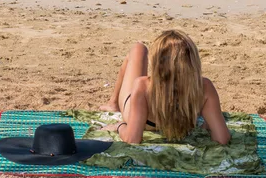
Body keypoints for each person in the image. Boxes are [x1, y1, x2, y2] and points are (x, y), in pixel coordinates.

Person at [99, 30, 231, 145]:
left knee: (138, 49)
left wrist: (119, 126)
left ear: (157, 63)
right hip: (182, 114)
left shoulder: (143, 85)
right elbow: (222, 139)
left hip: (147, 123)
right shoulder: (204, 86)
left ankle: (113, 103)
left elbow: (132, 139)